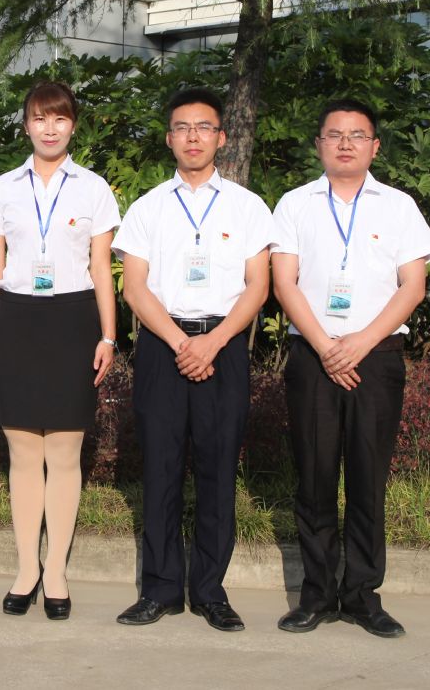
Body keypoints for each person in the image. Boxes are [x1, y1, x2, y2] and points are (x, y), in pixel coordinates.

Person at [270, 98, 430, 638]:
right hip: (313, 356)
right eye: (335, 134)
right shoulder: (295, 204)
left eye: (358, 135)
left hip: (377, 357)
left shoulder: (399, 207)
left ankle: (364, 596)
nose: (346, 144)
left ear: (375, 146)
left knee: (368, 480)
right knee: (315, 478)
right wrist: (326, 347)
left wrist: (360, 343)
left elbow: (413, 286)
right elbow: (283, 283)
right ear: (319, 143)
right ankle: (317, 595)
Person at [111, 87, 272, 632]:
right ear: (169, 139)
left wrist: (213, 341)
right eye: (182, 128)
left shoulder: (248, 207)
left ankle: (209, 591)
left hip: (223, 347)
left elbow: (258, 286)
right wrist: (183, 344)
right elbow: (135, 288)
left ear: (221, 137)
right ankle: (159, 589)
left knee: (217, 471)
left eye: (204, 127)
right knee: (160, 469)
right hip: (164, 348)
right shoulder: (148, 207)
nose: (193, 137)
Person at [0, 81, 120, 621]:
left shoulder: (94, 189)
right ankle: (25, 569)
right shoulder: (1, 189)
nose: (50, 128)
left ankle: (55, 569)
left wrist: (108, 336)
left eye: (59, 119)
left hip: (72, 320)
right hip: (15, 320)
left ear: (72, 125)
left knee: (63, 452)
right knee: (21, 453)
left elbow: (101, 268)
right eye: (40, 118)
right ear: (26, 126)